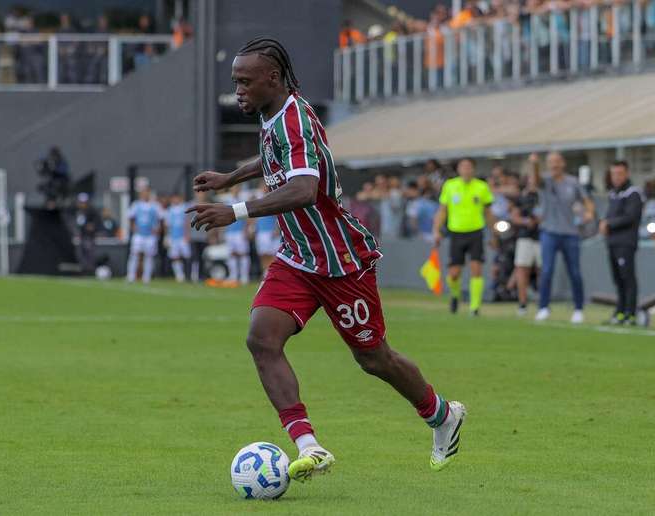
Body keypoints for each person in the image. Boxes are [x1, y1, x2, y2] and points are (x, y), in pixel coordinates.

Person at [186, 37, 465, 481]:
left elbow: (303, 189)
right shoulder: (274, 113)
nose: (237, 89)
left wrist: (234, 211)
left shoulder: (294, 119)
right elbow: (272, 157)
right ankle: (309, 446)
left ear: (272, 78)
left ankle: (441, 414)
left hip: (340, 262)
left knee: (374, 360)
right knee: (261, 339)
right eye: (235, 81)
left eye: (244, 81)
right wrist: (229, 178)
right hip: (298, 258)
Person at [529, 152, 595, 323]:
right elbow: (535, 181)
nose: (554, 165)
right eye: (551, 162)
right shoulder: (545, 181)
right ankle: (543, 307)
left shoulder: (572, 182)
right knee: (547, 270)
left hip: (570, 233)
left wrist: (589, 212)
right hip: (549, 231)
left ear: (563, 163)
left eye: (557, 162)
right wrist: (534, 164)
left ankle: (578, 308)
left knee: (574, 272)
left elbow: (587, 200)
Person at [432, 158, 496, 316]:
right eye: (463, 167)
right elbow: (442, 210)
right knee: (454, 274)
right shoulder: (450, 185)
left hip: (476, 232)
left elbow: (488, 213)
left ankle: (475, 307)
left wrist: (493, 234)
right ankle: (455, 295)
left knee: (476, 269)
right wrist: (436, 230)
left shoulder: (481, 187)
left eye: (469, 167)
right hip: (456, 233)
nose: (466, 169)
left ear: (473, 169)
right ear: (459, 169)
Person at [599, 161, 643, 325]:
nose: (616, 177)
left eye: (619, 173)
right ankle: (620, 311)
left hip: (625, 243)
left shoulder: (633, 193)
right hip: (612, 242)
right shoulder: (613, 194)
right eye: (613, 174)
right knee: (618, 279)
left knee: (627, 278)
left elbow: (630, 217)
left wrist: (609, 224)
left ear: (627, 173)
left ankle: (630, 313)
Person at [509, 173, 541, 315]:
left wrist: (540, 221)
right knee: (522, 270)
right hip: (525, 237)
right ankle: (522, 304)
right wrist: (526, 222)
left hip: (542, 237)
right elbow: (514, 217)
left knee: (543, 270)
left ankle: (543, 302)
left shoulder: (544, 197)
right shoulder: (521, 198)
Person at [126, 188, 162, 284]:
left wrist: (158, 229)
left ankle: (146, 277)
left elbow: (161, 218)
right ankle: (131, 276)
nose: (145, 195)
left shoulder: (155, 206)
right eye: (143, 193)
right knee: (134, 254)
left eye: (147, 193)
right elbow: (130, 217)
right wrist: (133, 227)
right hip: (139, 234)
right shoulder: (136, 205)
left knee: (149, 256)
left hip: (150, 235)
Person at [254, 184, 280, 276]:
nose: (264, 188)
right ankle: (265, 272)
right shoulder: (258, 199)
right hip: (261, 231)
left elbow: (279, 215)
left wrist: (277, 229)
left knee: (273, 253)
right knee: (263, 253)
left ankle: (273, 273)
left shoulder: (273, 199)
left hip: (271, 231)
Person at [164, 194, 190, 282]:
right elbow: (167, 225)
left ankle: (190, 274)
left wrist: (187, 234)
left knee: (187, 255)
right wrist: (166, 237)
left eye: (177, 198)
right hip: (173, 237)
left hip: (183, 237)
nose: (175, 200)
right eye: (173, 198)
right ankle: (179, 275)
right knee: (175, 257)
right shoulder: (169, 210)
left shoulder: (184, 208)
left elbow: (187, 222)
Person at [73, 193, 99, 274]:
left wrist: (92, 226)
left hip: (89, 236)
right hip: (81, 235)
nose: (82, 204)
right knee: (81, 253)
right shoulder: (77, 210)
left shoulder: (92, 211)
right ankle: (83, 269)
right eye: (81, 202)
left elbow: (96, 222)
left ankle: (90, 270)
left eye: (83, 202)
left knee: (89, 253)